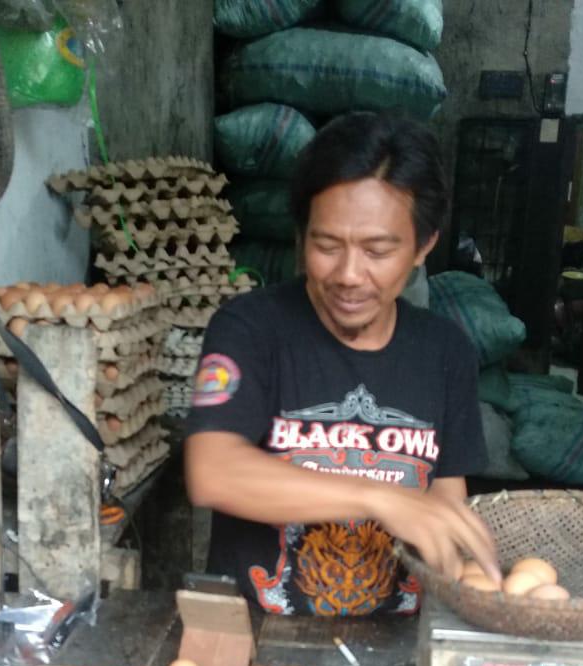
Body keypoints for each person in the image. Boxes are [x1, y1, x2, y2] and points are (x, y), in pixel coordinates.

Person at [184, 111, 501, 617]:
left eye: (377, 250)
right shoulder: (250, 329)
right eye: (327, 246)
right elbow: (213, 471)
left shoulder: (445, 352)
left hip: (396, 647)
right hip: (261, 644)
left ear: (423, 246)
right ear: (301, 237)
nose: (349, 275)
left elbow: (447, 502)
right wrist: (380, 497)